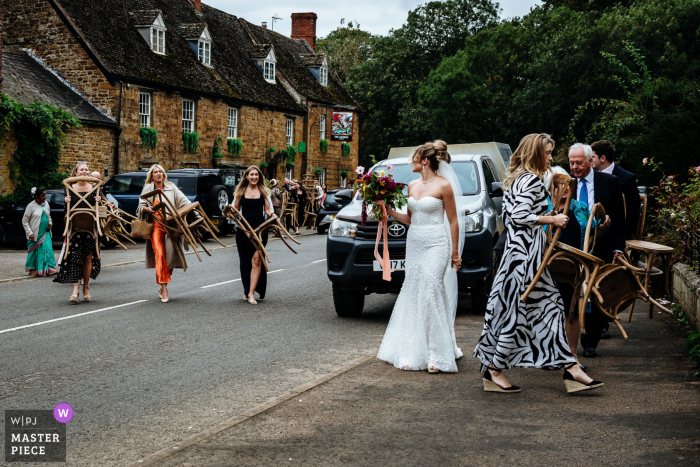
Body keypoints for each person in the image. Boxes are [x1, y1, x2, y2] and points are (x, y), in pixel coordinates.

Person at [473, 134, 603, 394]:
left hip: (519, 256)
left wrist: (547, 216)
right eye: (548, 153)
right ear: (535, 154)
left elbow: (515, 215)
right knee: (518, 314)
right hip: (524, 260)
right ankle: (495, 369)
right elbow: (520, 216)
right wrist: (552, 221)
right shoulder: (530, 180)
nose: (551, 158)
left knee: (547, 309)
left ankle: (570, 369)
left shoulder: (517, 179)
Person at [376, 140, 465, 373]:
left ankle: (437, 353)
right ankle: (412, 350)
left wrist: (455, 252)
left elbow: (454, 220)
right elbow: (409, 219)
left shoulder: (444, 185)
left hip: (436, 243)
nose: (411, 161)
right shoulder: (412, 186)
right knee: (414, 291)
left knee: (432, 291)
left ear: (424, 161)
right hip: (414, 243)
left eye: (414, 157)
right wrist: (387, 210)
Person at [560, 143, 625, 358]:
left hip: (600, 245)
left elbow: (618, 217)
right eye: (571, 163)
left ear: (591, 161)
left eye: (579, 163)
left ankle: (590, 342)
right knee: (570, 292)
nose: (575, 167)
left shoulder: (609, 182)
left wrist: (618, 246)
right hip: (571, 246)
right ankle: (568, 341)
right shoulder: (565, 182)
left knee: (596, 292)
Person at [137, 164, 192, 303]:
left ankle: (163, 286)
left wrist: (193, 213)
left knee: (170, 259)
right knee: (160, 256)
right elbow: (140, 206)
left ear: (163, 174)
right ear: (152, 175)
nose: (158, 174)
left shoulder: (171, 187)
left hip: (171, 227)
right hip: (156, 227)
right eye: (155, 172)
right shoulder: (148, 188)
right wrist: (146, 210)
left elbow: (185, 202)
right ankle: (165, 289)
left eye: (160, 171)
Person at [54, 162, 102, 303]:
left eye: (87, 169)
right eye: (82, 169)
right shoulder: (70, 188)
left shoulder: (95, 188)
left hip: (90, 228)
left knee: (88, 258)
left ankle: (86, 287)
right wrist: (65, 201)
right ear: (75, 172)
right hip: (74, 228)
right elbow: (66, 211)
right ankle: (75, 289)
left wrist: (99, 201)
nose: (85, 171)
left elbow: (101, 210)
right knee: (75, 257)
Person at [232, 165, 274, 305]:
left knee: (257, 261)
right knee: (245, 263)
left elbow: (267, 210)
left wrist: (273, 216)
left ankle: (251, 293)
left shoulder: (263, 191)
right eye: (252, 175)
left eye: (256, 174)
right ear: (247, 176)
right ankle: (246, 289)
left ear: (259, 176)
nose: (254, 177)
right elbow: (236, 209)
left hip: (261, 231)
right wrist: (228, 212)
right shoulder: (241, 191)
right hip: (244, 231)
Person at [590, 140, 640, 240]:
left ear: (603, 158)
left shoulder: (627, 178)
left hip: (615, 233)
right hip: (592, 229)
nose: (590, 160)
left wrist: (621, 236)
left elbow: (633, 211)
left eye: (593, 157)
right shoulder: (591, 175)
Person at [22, 187, 58, 277]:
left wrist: (50, 223)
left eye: (45, 195)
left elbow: (48, 216)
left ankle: (49, 269)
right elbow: (24, 221)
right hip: (35, 233)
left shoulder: (46, 204)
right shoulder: (31, 206)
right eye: (43, 196)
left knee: (48, 249)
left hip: (45, 232)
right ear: (37, 196)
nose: (45, 197)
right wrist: (30, 232)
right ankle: (33, 269)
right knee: (34, 251)